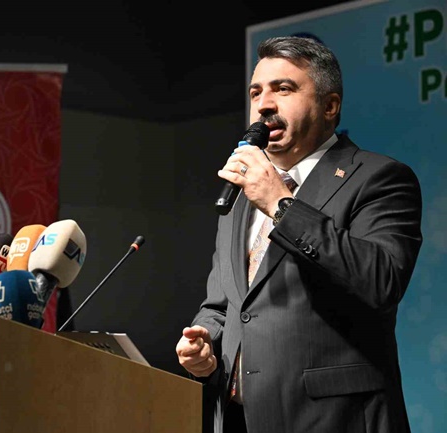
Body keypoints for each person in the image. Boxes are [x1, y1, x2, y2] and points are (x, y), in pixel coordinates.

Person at [175, 36, 422, 433]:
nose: (264, 104)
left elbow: (382, 281)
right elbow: (224, 305)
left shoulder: (379, 178)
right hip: (238, 418)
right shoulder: (242, 194)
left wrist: (281, 203)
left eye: (283, 88)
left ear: (330, 106)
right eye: (256, 92)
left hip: (334, 420)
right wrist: (206, 343)